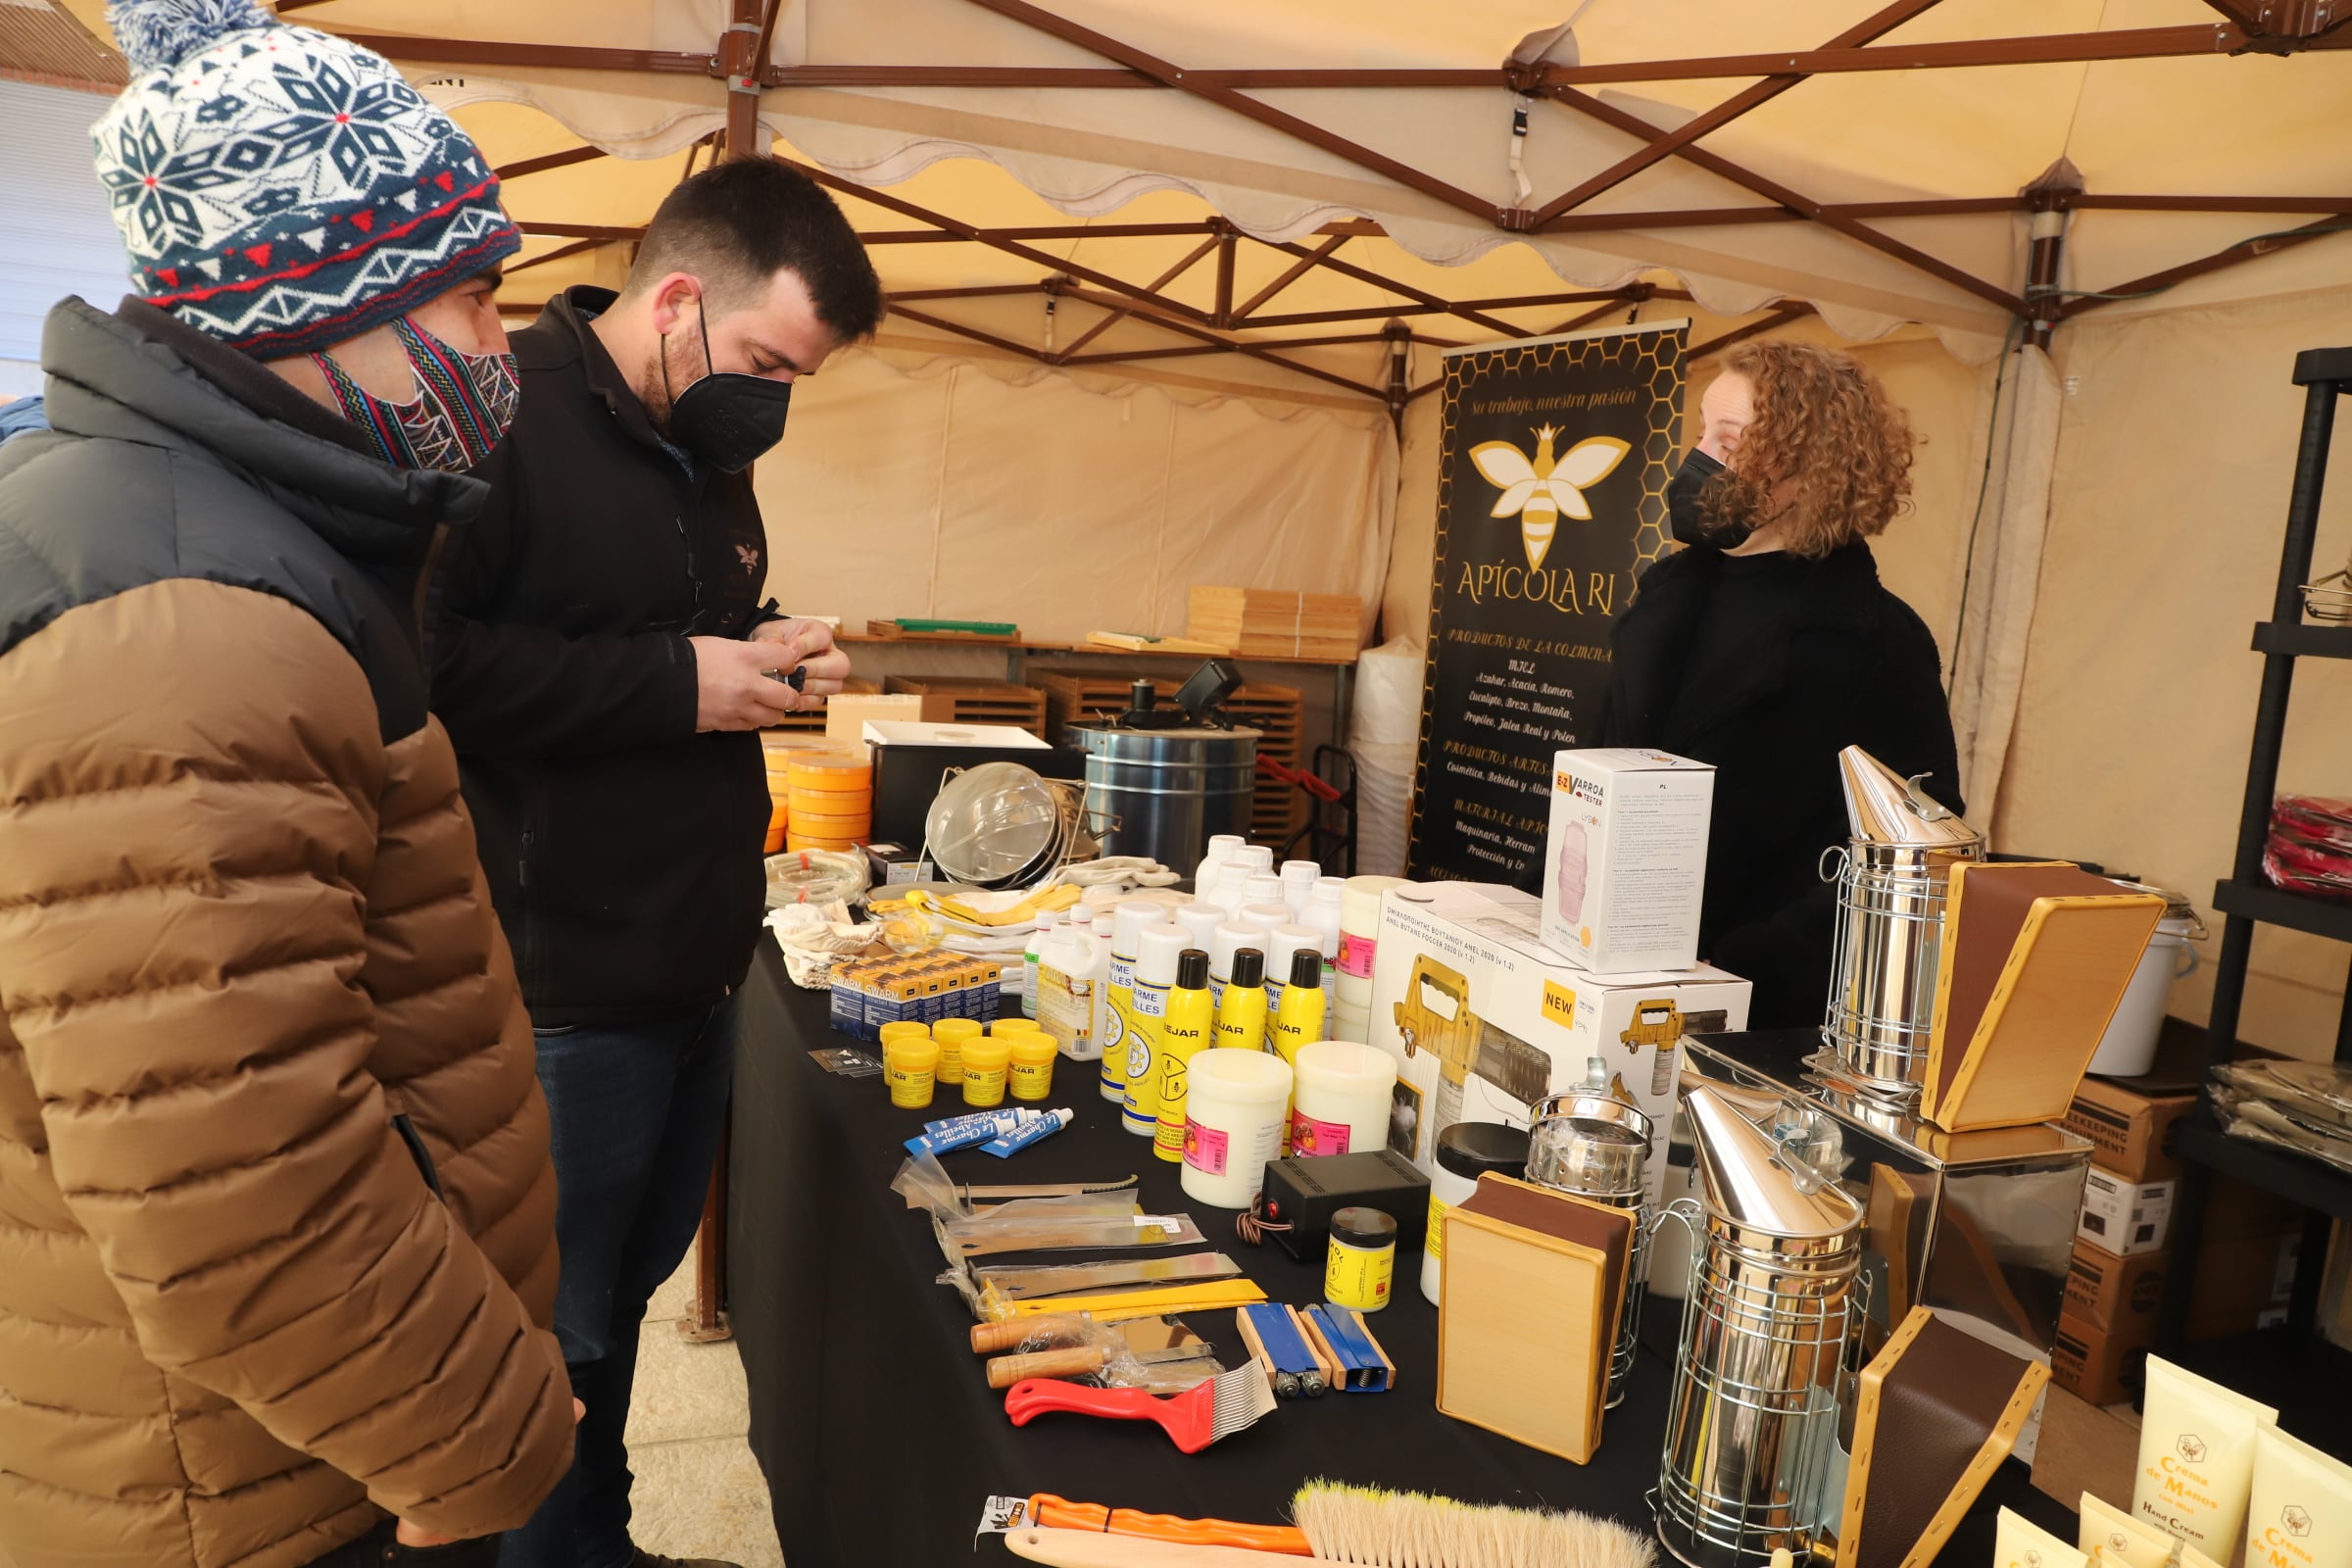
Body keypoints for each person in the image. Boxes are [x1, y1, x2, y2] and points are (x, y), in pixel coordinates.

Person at [0, 2, 578, 1565]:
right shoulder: (187, 625)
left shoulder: (199, 540)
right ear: (324, 308)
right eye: (472, 299)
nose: (496, 347)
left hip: (243, 1448)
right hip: (233, 1486)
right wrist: (496, 1440)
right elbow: (238, 1206)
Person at [430, 157, 882, 1568]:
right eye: (761, 360)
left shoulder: (712, 441)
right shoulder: (506, 415)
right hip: (559, 981)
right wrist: (673, 686)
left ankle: (600, 1548)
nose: (773, 399)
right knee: (543, 1337)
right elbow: (431, 665)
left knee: (619, 1311)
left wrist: (771, 648)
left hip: (694, 965)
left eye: (794, 378)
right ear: (677, 300)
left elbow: (682, 625)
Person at [1576, 339, 1961, 1028]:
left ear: (1812, 471)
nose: (1698, 463)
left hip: (1747, 1011)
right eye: (1701, 434)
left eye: (1730, 443)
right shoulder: (1665, 597)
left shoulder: (1877, 642)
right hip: (1600, 973)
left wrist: (1748, 962)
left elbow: (1910, 850)